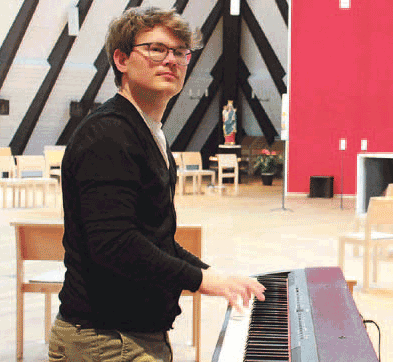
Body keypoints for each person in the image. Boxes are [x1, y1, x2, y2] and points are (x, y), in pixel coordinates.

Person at [49, 6, 266, 361]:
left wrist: (212, 275)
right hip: (106, 339)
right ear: (121, 59)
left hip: (129, 335)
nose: (172, 60)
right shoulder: (108, 134)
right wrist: (200, 280)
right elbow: (116, 244)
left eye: (180, 52)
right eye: (156, 49)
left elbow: (155, 240)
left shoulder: (148, 133)